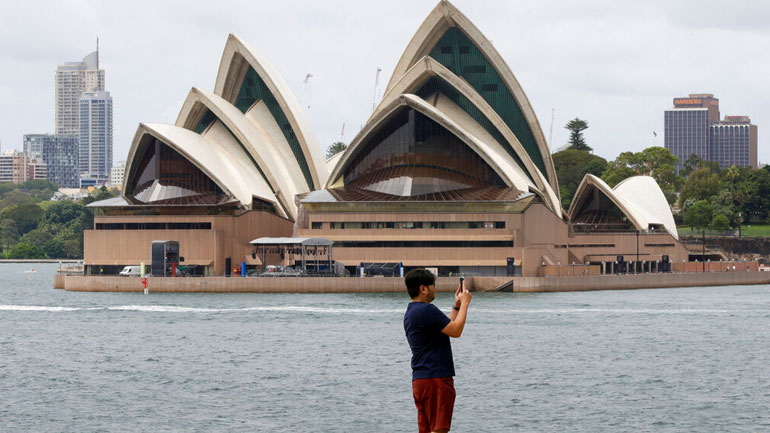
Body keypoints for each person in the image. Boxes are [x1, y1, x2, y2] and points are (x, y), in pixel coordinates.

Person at [403, 269, 471, 433]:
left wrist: (457, 306)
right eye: (433, 285)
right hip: (436, 378)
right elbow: (455, 331)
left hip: (421, 380)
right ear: (423, 288)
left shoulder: (412, 312)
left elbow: (445, 325)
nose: (435, 289)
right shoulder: (427, 310)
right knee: (439, 429)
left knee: (427, 429)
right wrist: (466, 303)